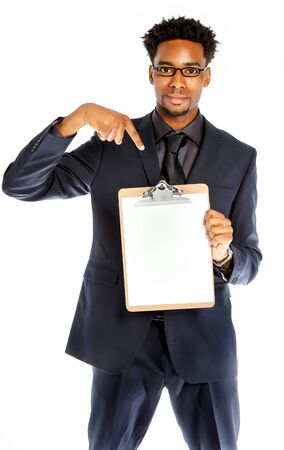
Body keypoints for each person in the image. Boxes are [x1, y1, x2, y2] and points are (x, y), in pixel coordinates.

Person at [2, 16, 262, 450]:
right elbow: (20, 184)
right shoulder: (111, 143)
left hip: (204, 339)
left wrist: (224, 252)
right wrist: (77, 118)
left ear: (207, 76)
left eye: (190, 70)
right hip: (121, 337)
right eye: (166, 68)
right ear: (151, 72)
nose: (177, 81)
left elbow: (250, 262)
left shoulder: (239, 157)